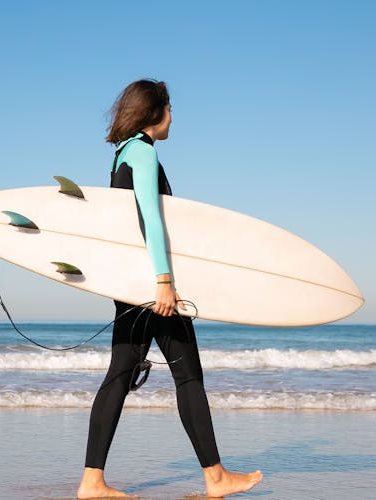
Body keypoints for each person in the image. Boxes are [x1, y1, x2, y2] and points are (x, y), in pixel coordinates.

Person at [77, 79, 263, 499]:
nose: (173, 116)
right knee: (188, 376)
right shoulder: (143, 153)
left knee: (120, 375)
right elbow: (151, 220)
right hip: (150, 286)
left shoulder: (120, 155)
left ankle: (92, 481)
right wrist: (163, 283)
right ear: (153, 112)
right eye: (170, 107)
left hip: (129, 286)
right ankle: (215, 477)